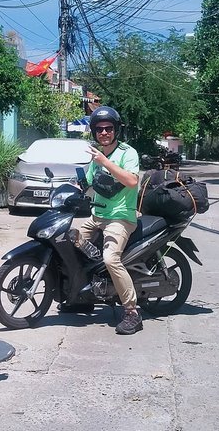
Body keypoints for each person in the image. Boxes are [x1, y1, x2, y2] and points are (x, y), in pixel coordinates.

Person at [73, 106, 143, 335]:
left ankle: (132, 312)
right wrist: (74, 188)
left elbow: (132, 181)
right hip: (98, 216)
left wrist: (104, 161)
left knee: (110, 258)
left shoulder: (127, 153)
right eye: (99, 129)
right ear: (94, 131)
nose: (104, 132)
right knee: (70, 241)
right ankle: (80, 296)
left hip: (121, 217)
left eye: (108, 128)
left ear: (116, 130)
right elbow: (88, 183)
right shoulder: (96, 156)